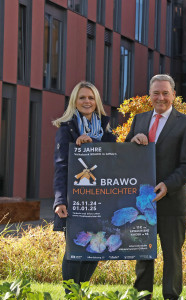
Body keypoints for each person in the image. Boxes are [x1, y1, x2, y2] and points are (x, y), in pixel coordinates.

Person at [126, 74, 186, 300]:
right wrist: (132, 141)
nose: (161, 97)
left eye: (165, 93)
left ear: (174, 94)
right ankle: (142, 296)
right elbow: (125, 155)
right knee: (143, 255)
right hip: (142, 202)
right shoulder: (139, 120)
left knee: (172, 256)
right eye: (156, 93)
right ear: (149, 95)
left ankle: (171, 297)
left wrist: (167, 185)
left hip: (171, 200)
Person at [52, 81, 116, 287]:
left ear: (96, 101)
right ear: (75, 102)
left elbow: (113, 160)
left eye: (90, 97)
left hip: (101, 200)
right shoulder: (66, 129)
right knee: (75, 246)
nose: (87, 101)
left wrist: (94, 145)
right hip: (76, 200)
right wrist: (60, 201)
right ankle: (71, 294)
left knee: (96, 245)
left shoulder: (106, 131)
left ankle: (81, 291)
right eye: (82, 98)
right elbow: (61, 167)